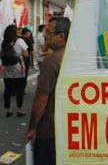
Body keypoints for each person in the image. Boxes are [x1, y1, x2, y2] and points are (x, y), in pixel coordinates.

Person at [24, 17, 71, 165]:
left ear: (61, 36)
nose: (44, 35)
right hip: (69, 130)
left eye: (49, 32)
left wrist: (32, 127)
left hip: (48, 131)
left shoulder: (51, 61)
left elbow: (41, 99)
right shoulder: (74, 57)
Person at [1, 24, 28, 117]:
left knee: (8, 89)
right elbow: (26, 54)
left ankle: (8, 109)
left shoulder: (4, 43)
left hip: (7, 69)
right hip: (18, 69)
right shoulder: (19, 41)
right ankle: (19, 109)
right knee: (19, 89)